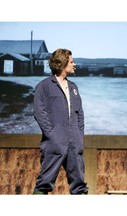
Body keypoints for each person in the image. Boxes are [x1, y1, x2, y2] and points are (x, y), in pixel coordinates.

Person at [32, 48, 88, 195]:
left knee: (80, 186)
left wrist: (78, 135)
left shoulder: (73, 88)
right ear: (62, 63)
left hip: (74, 143)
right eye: (71, 61)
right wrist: (52, 135)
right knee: (44, 183)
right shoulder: (44, 86)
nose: (74, 64)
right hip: (54, 143)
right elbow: (39, 112)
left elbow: (80, 114)